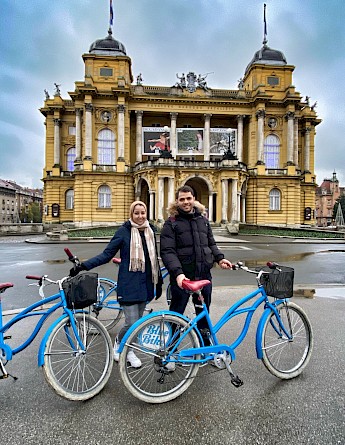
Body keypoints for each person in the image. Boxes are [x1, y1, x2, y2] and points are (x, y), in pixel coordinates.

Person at [69, 201, 163, 368]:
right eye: (137, 213)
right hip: (129, 283)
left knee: (138, 321)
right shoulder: (124, 231)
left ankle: (128, 346)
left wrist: (159, 282)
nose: (140, 216)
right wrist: (83, 266)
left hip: (146, 283)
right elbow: (106, 255)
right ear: (131, 214)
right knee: (131, 323)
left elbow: (153, 259)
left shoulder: (150, 231)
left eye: (143, 213)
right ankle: (121, 345)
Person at [160, 185, 232, 351]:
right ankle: (170, 349)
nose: (186, 202)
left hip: (203, 275)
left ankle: (205, 346)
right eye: (182, 199)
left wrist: (220, 258)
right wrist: (178, 274)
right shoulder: (171, 223)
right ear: (177, 201)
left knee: (203, 312)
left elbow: (211, 244)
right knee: (176, 314)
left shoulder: (203, 220)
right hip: (183, 278)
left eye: (188, 198)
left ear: (194, 199)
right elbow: (167, 252)